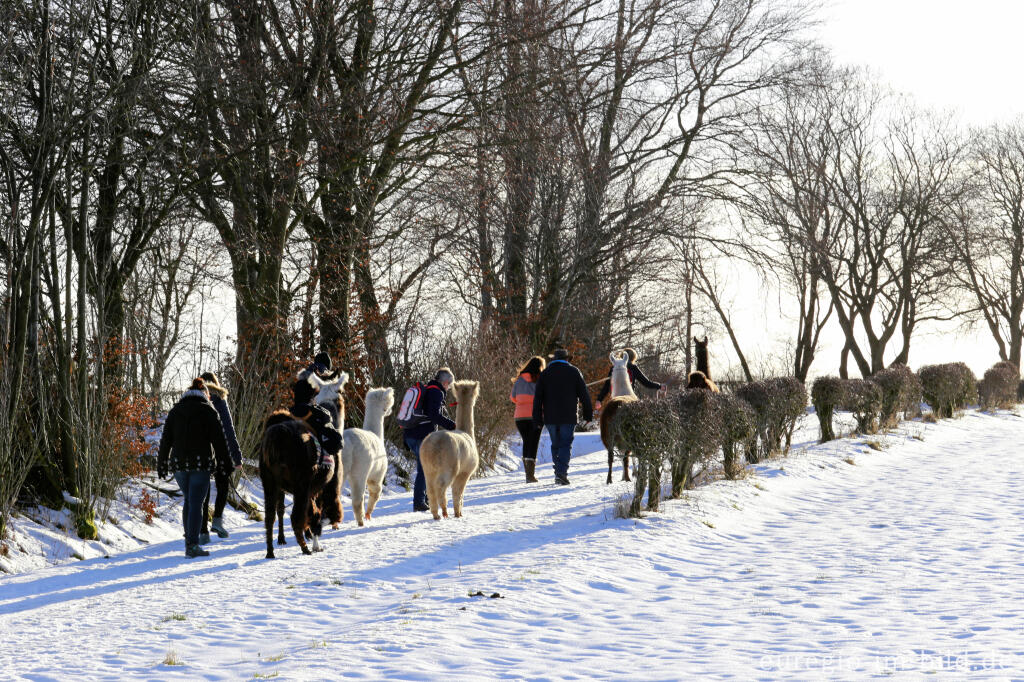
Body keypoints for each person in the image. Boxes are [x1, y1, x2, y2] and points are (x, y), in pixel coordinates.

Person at [157, 377, 234, 558]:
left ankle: (189, 542)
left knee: (189, 501)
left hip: (179, 465)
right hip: (201, 464)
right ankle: (192, 545)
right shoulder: (208, 410)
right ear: (205, 394)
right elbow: (219, 441)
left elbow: (166, 439)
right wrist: (226, 463)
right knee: (196, 504)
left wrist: (162, 462)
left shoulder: (175, 411)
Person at [532, 349, 593, 485]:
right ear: (567, 359)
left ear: (554, 359)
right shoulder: (574, 372)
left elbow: (537, 399)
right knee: (565, 444)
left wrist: (537, 418)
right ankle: (561, 473)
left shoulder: (545, 374)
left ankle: (558, 472)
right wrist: (588, 414)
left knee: (555, 444)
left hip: (550, 417)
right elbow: (584, 395)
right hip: (569, 416)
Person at [401, 367, 456, 511]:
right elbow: (433, 415)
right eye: (449, 385)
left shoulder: (428, 389)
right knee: (425, 469)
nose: (449, 388)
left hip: (411, 435)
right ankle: (419, 502)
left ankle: (424, 498)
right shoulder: (436, 392)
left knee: (427, 467)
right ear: (445, 382)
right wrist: (452, 426)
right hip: (422, 437)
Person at [199, 372, 243, 541]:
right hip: (221, 451)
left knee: (204, 490)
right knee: (223, 486)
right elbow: (229, 430)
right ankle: (217, 520)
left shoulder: (197, 400)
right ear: (216, 384)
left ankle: (203, 529)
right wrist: (237, 457)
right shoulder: (219, 399)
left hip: (203, 450)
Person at [510, 356, 546, 483]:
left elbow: (513, 398)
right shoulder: (540, 380)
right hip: (535, 416)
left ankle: (528, 474)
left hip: (519, 417)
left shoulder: (519, 380)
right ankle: (530, 475)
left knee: (526, 441)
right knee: (534, 443)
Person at [594, 347, 664, 410]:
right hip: (629, 399)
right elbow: (646, 383)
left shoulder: (614, 368)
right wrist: (659, 386)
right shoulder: (633, 368)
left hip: (615, 398)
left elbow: (606, 386)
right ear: (633, 358)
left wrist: (599, 400)